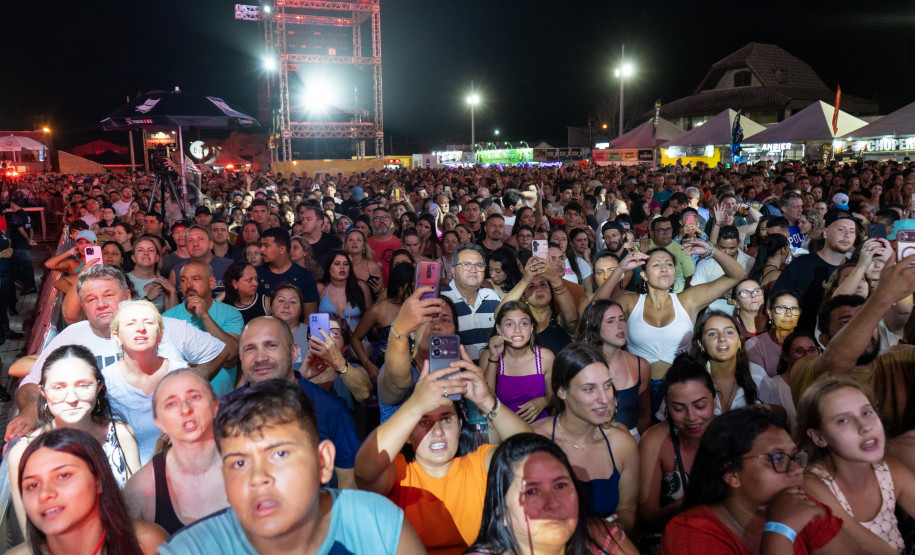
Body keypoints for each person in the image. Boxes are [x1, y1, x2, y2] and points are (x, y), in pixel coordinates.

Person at [159, 379, 423, 554]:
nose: (258, 478)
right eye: (239, 462)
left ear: (324, 461)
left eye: (280, 454)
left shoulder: (377, 525)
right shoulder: (190, 550)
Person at [6, 265, 229, 444]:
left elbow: (219, 351)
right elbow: (32, 383)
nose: (101, 304)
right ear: (83, 305)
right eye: (91, 299)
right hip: (110, 447)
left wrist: (193, 380)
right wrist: (28, 413)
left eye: (108, 295)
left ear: (127, 295)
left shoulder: (168, 327)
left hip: (175, 443)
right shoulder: (72, 337)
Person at [354, 344, 532, 554]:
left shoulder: (480, 464)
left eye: (446, 420)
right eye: (424, 422)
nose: (437, 431)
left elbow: (534, 456)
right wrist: (415, 405)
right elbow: (365, 470)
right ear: (408, 436)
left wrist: (486, 402)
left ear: (459, 427)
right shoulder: (399, 473)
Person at [659, 407, 853, 554]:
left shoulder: (798, 507)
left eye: (794, 458)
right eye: (777, 458)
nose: (795, 470)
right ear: (731, 473)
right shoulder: (690, 534)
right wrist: (780, 532)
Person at [7, 345, 141, 537]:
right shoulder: (23, 453)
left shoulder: (120, 434)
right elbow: (32, 535)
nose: (72, 398)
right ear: (43, 393)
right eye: (58, 387)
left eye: (83, 385)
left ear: (99, 387)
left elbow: (137, 512)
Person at [599, 241, 744, 416]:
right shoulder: (630, 301)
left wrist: (712, 250)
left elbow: (737, 275)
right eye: (656, 264)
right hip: (638, 386)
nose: (664, 268)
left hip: (680, 386)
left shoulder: (687, 300)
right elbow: (594, 312)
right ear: (643, 275)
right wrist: (620, 269)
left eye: (669, 264)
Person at [236, 316, 360, 489]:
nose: (260, 357)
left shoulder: (330, 409)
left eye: (271, 345)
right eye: (250, 348)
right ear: (240, 358)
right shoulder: (227, 409)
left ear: (294, 352)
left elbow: (348, 481)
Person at [466, 433, 638, 555]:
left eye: (561, 485)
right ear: (501, 513)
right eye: (531, 491)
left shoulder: (603, 537)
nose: (553, 503)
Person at [797, 376, 915, 553]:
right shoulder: (813, 485)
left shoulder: (889, 469)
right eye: (843, 420)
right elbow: (863, 545)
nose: (864, 427)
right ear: (818, 437)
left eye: (867, 413)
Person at [531, 344, 639, 531]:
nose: (605, 399)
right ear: (561, 391)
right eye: (589, 389)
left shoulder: (622, 445)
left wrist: (608, 530)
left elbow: (628, 510)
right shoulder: (536, 441)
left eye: (607, 386)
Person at [10, 428, 167, 555]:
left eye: (63, 476)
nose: (44, 494)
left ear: (98, 479)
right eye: (32, 485)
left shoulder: (147, 545)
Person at [122, 369, 229, 535]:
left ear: (215, 406)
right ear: (159, 422)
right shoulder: (140, 490)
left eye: (194, 397)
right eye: (171, 403)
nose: (185, 409)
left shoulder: (253, 462)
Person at [638, 355, 716, 544]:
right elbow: (646, 518)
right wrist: (683, 505)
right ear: (667, 406)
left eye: (700, 406)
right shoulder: (654, 440)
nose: (691, 417)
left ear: (714, 399)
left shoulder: (731, 435)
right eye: (679, 409)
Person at [163, 261, 243, 395]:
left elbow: (230, 357)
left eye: (196, 279)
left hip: (222, 401)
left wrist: (205, 316)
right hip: (182, 396)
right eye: (183, 280)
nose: (188, 285)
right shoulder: (168, 317)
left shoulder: (231, 314)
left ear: (211, 282)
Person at [771, 212, 858, 332]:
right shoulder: (800, 265)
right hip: (802, 342)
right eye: (841, 229)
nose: (847, 235)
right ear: (826, 232)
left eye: (852, 231)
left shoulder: (855, 271)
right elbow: (775, 303)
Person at [578, 299, 651, 435]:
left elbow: (644, 415)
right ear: (595, 326)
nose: (620, 326)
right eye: (611, 321)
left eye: (622, 319)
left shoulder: (641, 366)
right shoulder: (582, 367)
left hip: (631, 442)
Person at [689, 311, 780, 414]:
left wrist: (758, 410)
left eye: (729, 332)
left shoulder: (756, 374)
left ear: (739, 342)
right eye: (712, 334)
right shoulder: (690, 379)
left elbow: (781, 414)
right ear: (701, 344)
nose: (722, 339)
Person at [480, 300, 555, 424]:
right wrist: (494, 357)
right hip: (502, 430)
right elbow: (486, 401)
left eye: (524, 323)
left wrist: (544, 401)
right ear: (499, 329)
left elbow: (555, 395)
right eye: (509, 324)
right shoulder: (489, 355)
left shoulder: (545, 357)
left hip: (540, 429)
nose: (518, 330)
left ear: (531, 328)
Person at [497, 254, 579, 357]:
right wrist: (525, 280)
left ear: (551, 291)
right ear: (524, 297)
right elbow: (499, 315)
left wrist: (554, 278)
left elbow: (572, 318)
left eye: (543, 284)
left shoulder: (560, 320)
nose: (539, 289)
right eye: (531, 286)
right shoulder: (520, 327)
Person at [350, 261, 414, 380]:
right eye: (412, 285)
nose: (415, 289)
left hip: (415, 368)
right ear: (401, 286)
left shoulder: (417, 306)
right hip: (388, 371)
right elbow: (355, 339)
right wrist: (367, 364)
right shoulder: (377, 311)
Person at [440, 243, 501, 361]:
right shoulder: (442, 301)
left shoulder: (491, 297)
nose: (473, 270)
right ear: (453, 270)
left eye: (479, 265)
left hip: (491, 373)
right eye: (466, 264)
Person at [689, 225, 754, 314]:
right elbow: (693, 293)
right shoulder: (705, 263)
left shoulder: (750, 262)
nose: (727, 252)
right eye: (723, 248)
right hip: (711, 317)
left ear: (738, 243)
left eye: (732, 248)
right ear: (717, 243)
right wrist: (719, 291)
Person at [256, 227, 319, 314]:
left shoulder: (305, 276)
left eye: (266, 246)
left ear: (282, 249)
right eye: (261, 245)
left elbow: (309, 316)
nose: (261, 250)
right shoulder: (255, 274)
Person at [772, 330, 820, 434]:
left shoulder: (824, 383)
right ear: (785, 356)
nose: (807, 356)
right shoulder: (773, 386)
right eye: (799, 351)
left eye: (812, 350)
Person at [746, 291, 801, 378]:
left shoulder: (807, 345)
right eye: (782, 308)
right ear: (770, 312)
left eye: (794, 309)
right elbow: (759, 385)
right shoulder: (755, 346)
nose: (788, 314)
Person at [316, 249, 372, 330]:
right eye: (337, 264)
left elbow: (369, 319)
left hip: (356, 339)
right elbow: (311, 317)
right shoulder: (320, 287)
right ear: (328, 267)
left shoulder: (361, 286)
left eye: (346, 264)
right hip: (327, 340)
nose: (342, 267)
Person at [128, 235, 179, 313]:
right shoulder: (123, 280)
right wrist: (148, 298)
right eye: (140, 250)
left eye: (151, 250)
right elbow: (123, 314)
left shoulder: (164, 283)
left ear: (157, 258)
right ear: (133, 257)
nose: (146, 253)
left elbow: (173, 319)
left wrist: (172, 292)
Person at [221, 260, 267, 325]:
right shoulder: (223, 303)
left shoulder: (265, 303)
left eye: (256, 279)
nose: (256, 283)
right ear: (235, 283)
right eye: (249, 280)